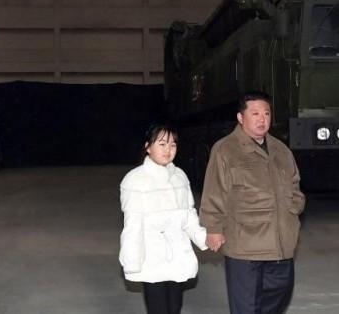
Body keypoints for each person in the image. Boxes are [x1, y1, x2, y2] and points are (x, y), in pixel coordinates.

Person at [199, 92, 305, 314]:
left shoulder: (280, 149)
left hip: (280, 243)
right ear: (240, 117)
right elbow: (214, 190)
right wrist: (213, 229)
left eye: (266, 113)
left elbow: (295, 182)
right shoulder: (226, 149)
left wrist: (295, 204)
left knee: (280, 294)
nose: (262, 119)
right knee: (246, 306)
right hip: (245, 244)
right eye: (255, 113)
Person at [119, 124, 208, 314]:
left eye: (173, 145)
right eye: (162, 144)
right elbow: (132, 226)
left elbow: (189, 215)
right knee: (158, 309)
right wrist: (132, 261)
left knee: (175, 308)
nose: (168, 150)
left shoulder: (180, 177)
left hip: (178, 254)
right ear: (148, 147)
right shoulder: (135, 180)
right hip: (152, 256)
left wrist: (204, 238)